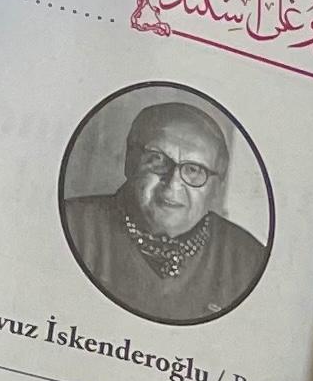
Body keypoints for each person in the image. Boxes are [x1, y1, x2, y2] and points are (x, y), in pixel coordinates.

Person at [62, 98, 269, 324]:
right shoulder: (72, 225)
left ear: (216, 188)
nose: (172, 185)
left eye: (193, 170)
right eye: (158, 160)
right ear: (130, 162)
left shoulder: (249, 262)